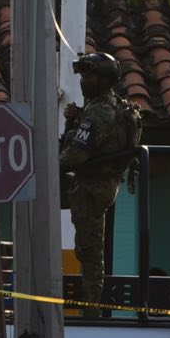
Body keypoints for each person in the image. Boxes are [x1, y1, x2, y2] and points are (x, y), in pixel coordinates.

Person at [59, 52, 144, 313]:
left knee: (90, 251)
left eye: (90, 76)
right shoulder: (104, 107)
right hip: (98, 184)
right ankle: (91, 304)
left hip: (93, 187)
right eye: (83, 75)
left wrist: (50, 163)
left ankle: (92, 309)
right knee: (89, 249)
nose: (84, 81)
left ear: (106, 79)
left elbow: (76, 155)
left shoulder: (100, 111)